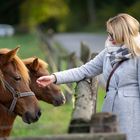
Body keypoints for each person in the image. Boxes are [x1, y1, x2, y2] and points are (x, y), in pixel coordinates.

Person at [37, 13, 140, 140]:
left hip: (132, 114)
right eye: (108, 33)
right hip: (109, 112)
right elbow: (83, 70)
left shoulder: (138, 55)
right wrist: (54, 77)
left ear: (124, 33)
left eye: (113, 34)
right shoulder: (108, 52)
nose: (109, 37)